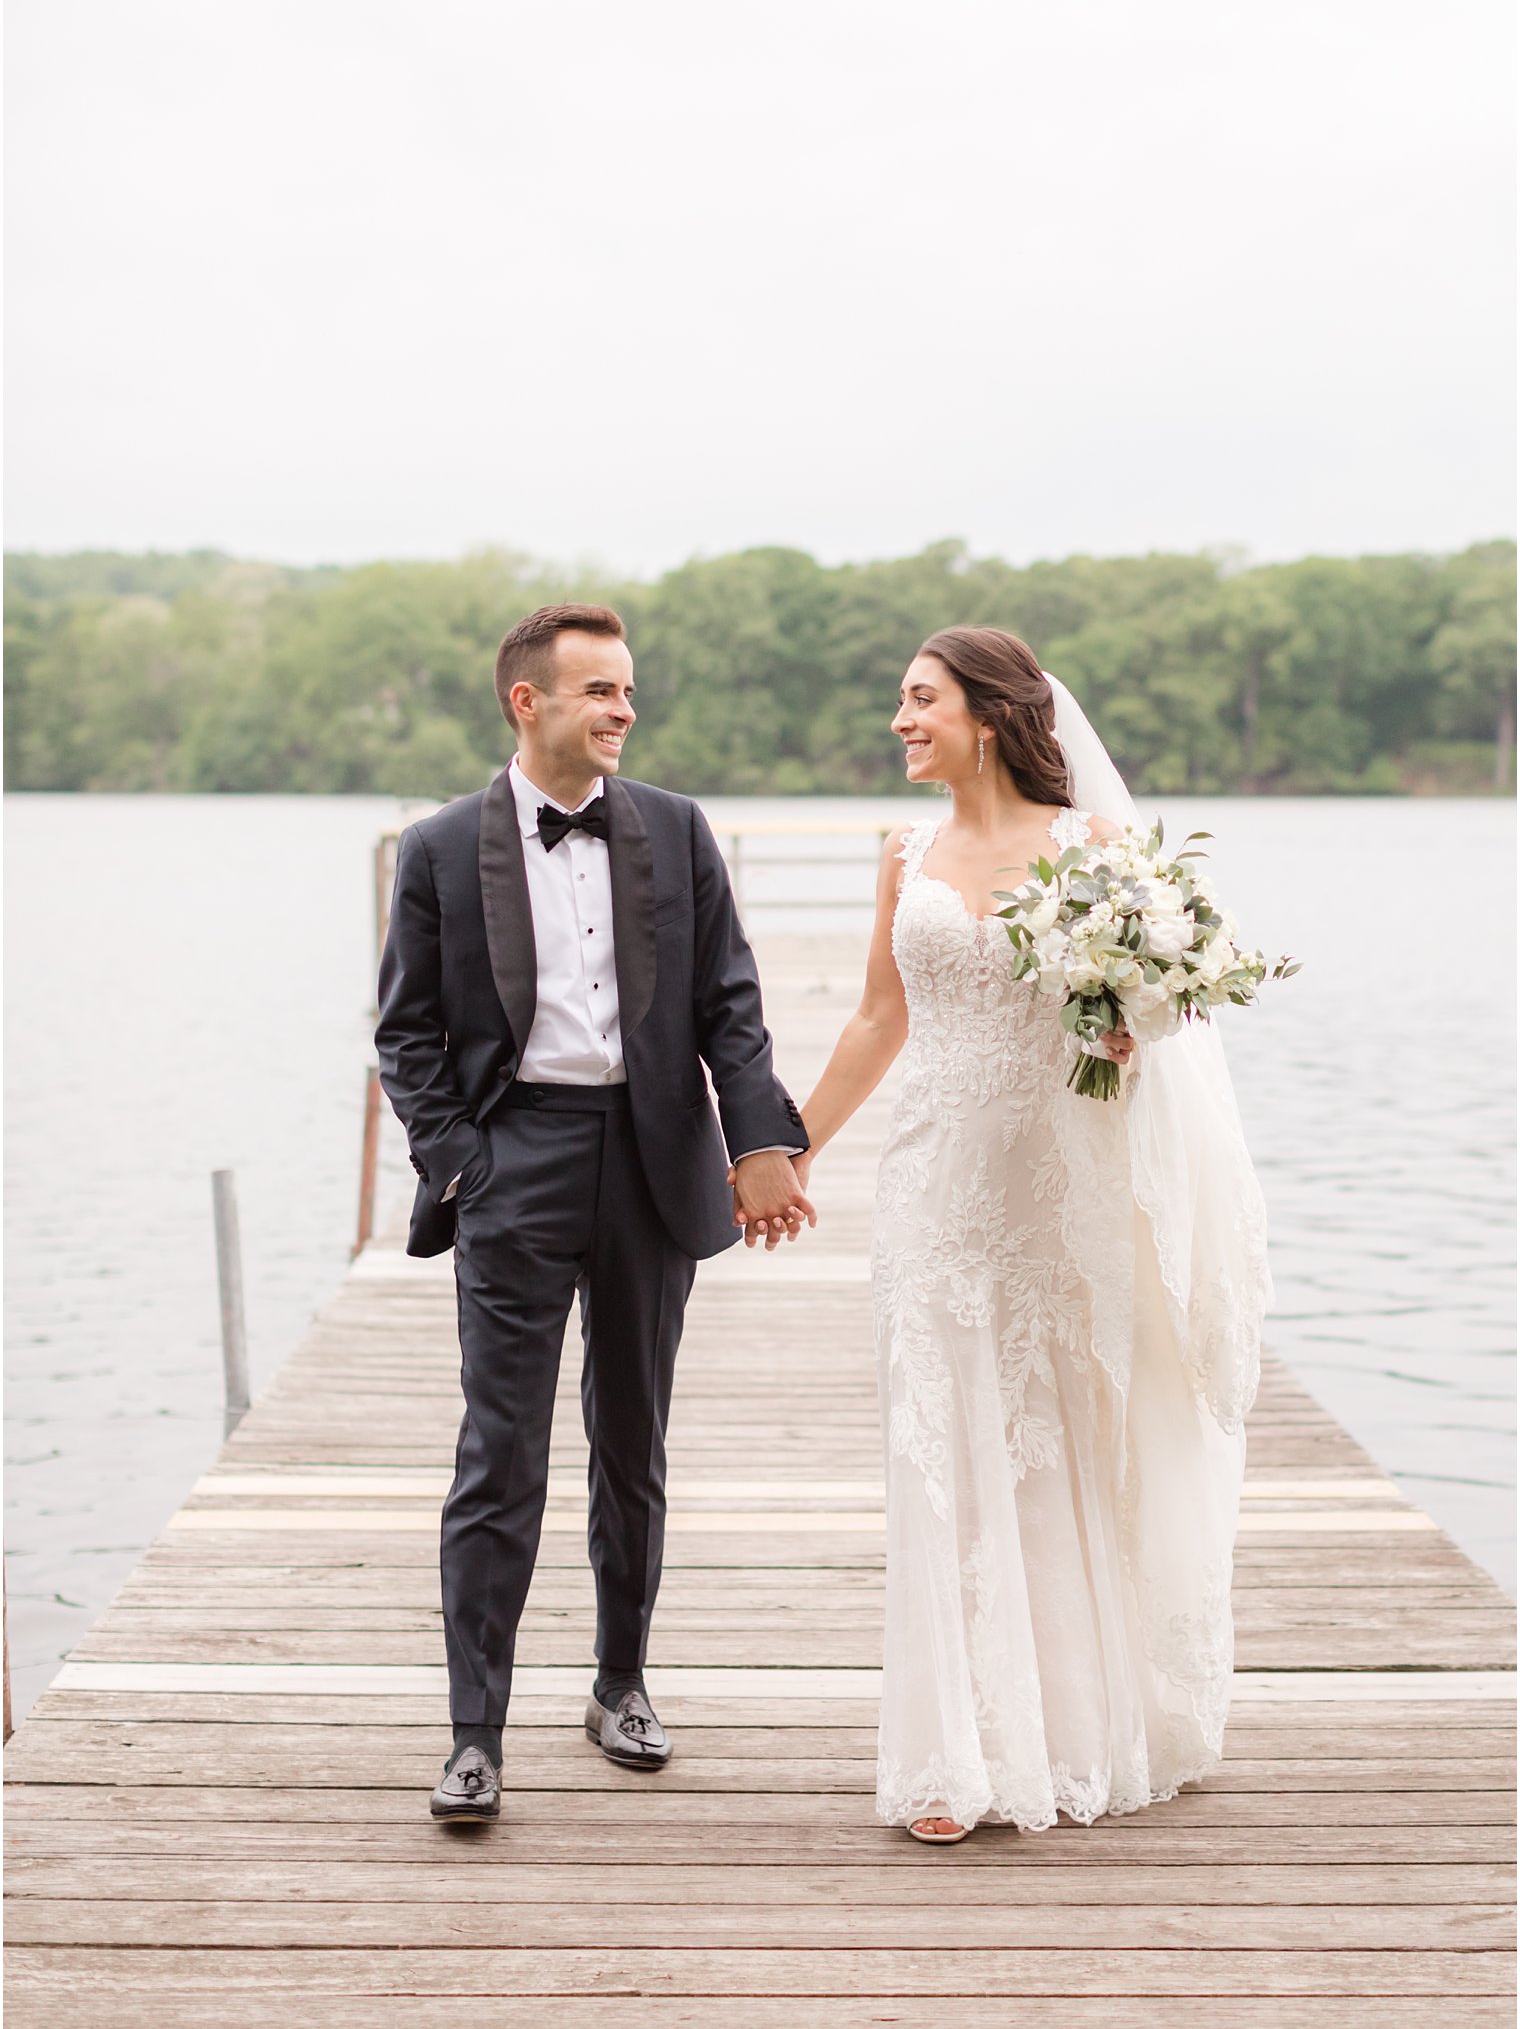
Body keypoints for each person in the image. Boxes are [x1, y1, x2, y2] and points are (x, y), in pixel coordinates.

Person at [769, 627, 1269, 1843]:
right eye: (900, 700)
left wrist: (1128, 1027)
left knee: (1060, 1447)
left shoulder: (1093, 850)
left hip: (1061, 1187)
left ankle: (1076, 1731)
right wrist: (783, 1151)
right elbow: (878, 1024)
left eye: (918, 700)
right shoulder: (905, 854)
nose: (898, 720)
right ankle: (949, 1754)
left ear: (987, 715)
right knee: (938, 1449)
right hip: (937, 1189)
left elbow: (1163, 1012)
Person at [376, 603, 812, 1822]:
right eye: (600, 692)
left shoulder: (674, 831)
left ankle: (620, 1683)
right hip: (515, 1159)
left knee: (633, 1440)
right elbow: (406, 1038)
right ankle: (475, 1735)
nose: (624, 711)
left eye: (627, 692)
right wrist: (462, 1163)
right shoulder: (438, 849)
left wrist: (763, 1139)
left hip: (649, 1156)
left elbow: (731, 1004)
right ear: (529, 702)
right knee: (497, 1452)